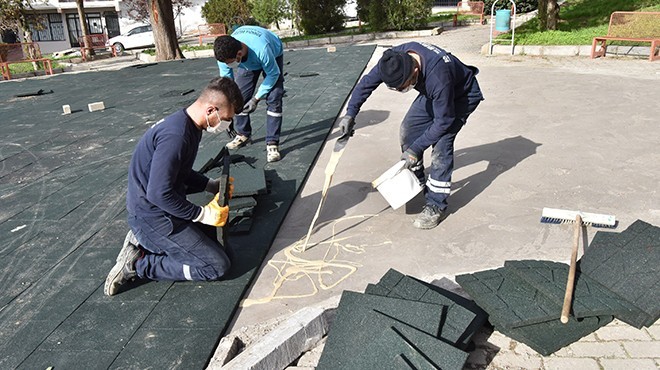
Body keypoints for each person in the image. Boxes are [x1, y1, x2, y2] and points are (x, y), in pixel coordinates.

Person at [104, 77, 244, 296]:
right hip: (153, 217)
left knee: (224, 251)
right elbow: (159, 193)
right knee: (217, 266)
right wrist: (201, 214)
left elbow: (179, 171)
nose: (226, 125)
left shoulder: (189, 125)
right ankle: (139, 264)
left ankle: (143, 242)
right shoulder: (176, 136)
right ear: (211, 110)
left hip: (163, 210)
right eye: (225, 119)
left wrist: (209, 185)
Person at [338, 42, 484, 229]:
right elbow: (366, 83)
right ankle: (417, 181)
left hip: (462, 95)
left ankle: (436, 205)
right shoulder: (394, 59)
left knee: (441, 144)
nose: (400, 91)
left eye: (403, 87)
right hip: (435, 95)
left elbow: (444, 121)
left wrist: (415, 150)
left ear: (415, 71)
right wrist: (350, 114)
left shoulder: (437, 76)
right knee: (408, 130)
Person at [213, 25, 285, 163]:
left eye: (231, 62)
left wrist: (256, 99)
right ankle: (243, 134)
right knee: (238, 97)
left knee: (274, 97)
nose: (229, 65)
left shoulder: (262, 50)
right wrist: (227, 112)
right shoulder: (224, 53)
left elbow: (273, 74)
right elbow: (227, 80)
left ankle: (272, 143)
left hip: (273, 51)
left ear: (239, 55)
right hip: (249, 59)